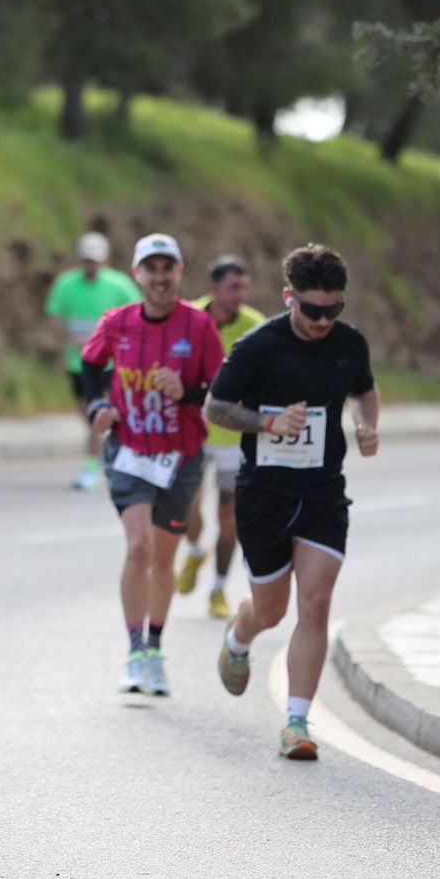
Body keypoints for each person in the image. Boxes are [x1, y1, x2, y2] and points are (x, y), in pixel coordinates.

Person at [207, 243, 379, 761]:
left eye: (333, 309)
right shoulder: (258, 346)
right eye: (312, 310)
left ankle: (296, 723)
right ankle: (239, 637)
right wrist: (265, 422)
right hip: (264, 494)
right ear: (288, 299)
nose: (323, 320)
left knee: (316, 604)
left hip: (323, 492)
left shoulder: (349, 344)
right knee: (271, 611)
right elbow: (216, 406)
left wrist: (368, 425)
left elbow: (365, 391)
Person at [82, 234, 225, 697]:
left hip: (181, 455)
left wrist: (186, 392)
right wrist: (98, 406)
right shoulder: (118, 323)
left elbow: (220, 392)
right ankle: (134, 650)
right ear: (138, 273)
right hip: (129, 449)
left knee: (163, 558)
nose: (160, 277)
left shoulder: (199, 326)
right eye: (151, 268)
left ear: (179, 273)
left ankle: (156, 648)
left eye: (168, 268)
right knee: (138, 548)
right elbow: (90, 367)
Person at [176, 256, 265, 618]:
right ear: (213, 288)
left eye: (244, 287)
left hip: (233, 440)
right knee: (185, 511)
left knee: (229, 518)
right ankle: (196, 551)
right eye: (233, 287)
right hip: (193, 433)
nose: (239, 294)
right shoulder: (189, 319)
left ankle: (217, 589)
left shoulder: (255, 327)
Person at [46, 232, 142, 491]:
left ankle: (90, 466)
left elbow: (138, 315)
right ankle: (107, 452)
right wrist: (69, 336)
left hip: (110, 364)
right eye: (87, 260)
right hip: (77, 363)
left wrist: (116, 339)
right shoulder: (66, 284)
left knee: (97, 412)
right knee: (89, 416)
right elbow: (53, 315)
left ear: (105, 260)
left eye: (95, 261)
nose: (91, 266)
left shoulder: (119, 285)